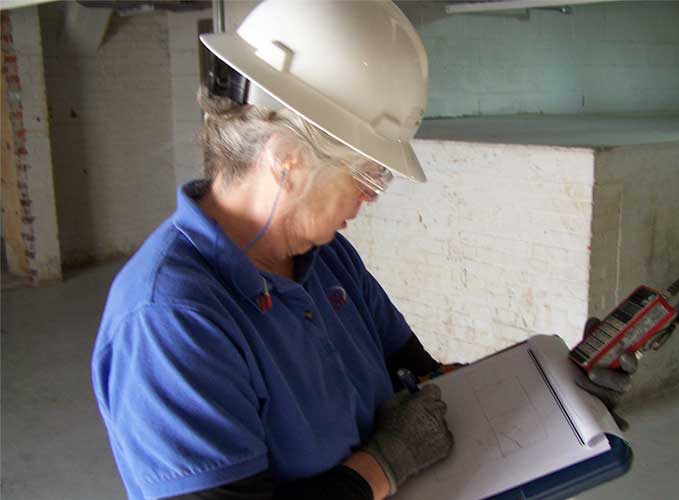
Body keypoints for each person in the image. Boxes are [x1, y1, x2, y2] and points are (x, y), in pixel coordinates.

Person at [91, 1, 453, 499]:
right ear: (286, 161)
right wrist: (388, 462)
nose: (371, 194)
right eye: (367, 172)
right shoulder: (169, 319)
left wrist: (542, 386)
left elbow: (415, 372)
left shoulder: (329, 259)